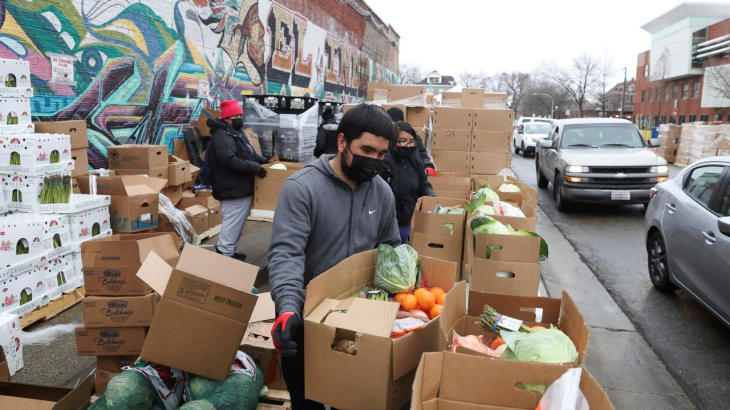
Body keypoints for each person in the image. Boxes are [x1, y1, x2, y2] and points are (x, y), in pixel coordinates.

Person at [268, 104, 401, 410]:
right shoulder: (302, 188)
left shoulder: (382, 193)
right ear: (342, 142)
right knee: (308, 402)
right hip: (307, 323)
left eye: (381, 154)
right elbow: (287, 254)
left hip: (362, 324)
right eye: (367, 149)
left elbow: (390, 249)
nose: (374, 160)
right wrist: (288, 308)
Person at [207, 100, 268, 261]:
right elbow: (229, 160)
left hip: (238, 186)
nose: (239, 118)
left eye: (241, 115)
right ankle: (224, 253)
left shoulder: (235, 133)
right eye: (235, 116)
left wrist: (265, 161)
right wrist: (255, 167)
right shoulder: (222, 136)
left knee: (236, 222)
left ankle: (229, 249)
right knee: (233, 222)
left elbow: (250, 153)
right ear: (226, 118)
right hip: (232, 187)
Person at [379, 121, 437, 244]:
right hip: (390, 227)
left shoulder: (413, 161)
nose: (407, 145)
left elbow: (423, 183)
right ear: (393, 141)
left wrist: (431, 198)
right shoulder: (384, 164)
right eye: (402, 141)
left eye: (411, 141)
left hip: (409, 224)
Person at [386, 107, 437, 176]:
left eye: (410, 142)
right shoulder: (385, 138)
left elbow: (422, 154)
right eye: (402, 141)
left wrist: (428, 165)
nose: (408, 145)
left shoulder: (413, 137)